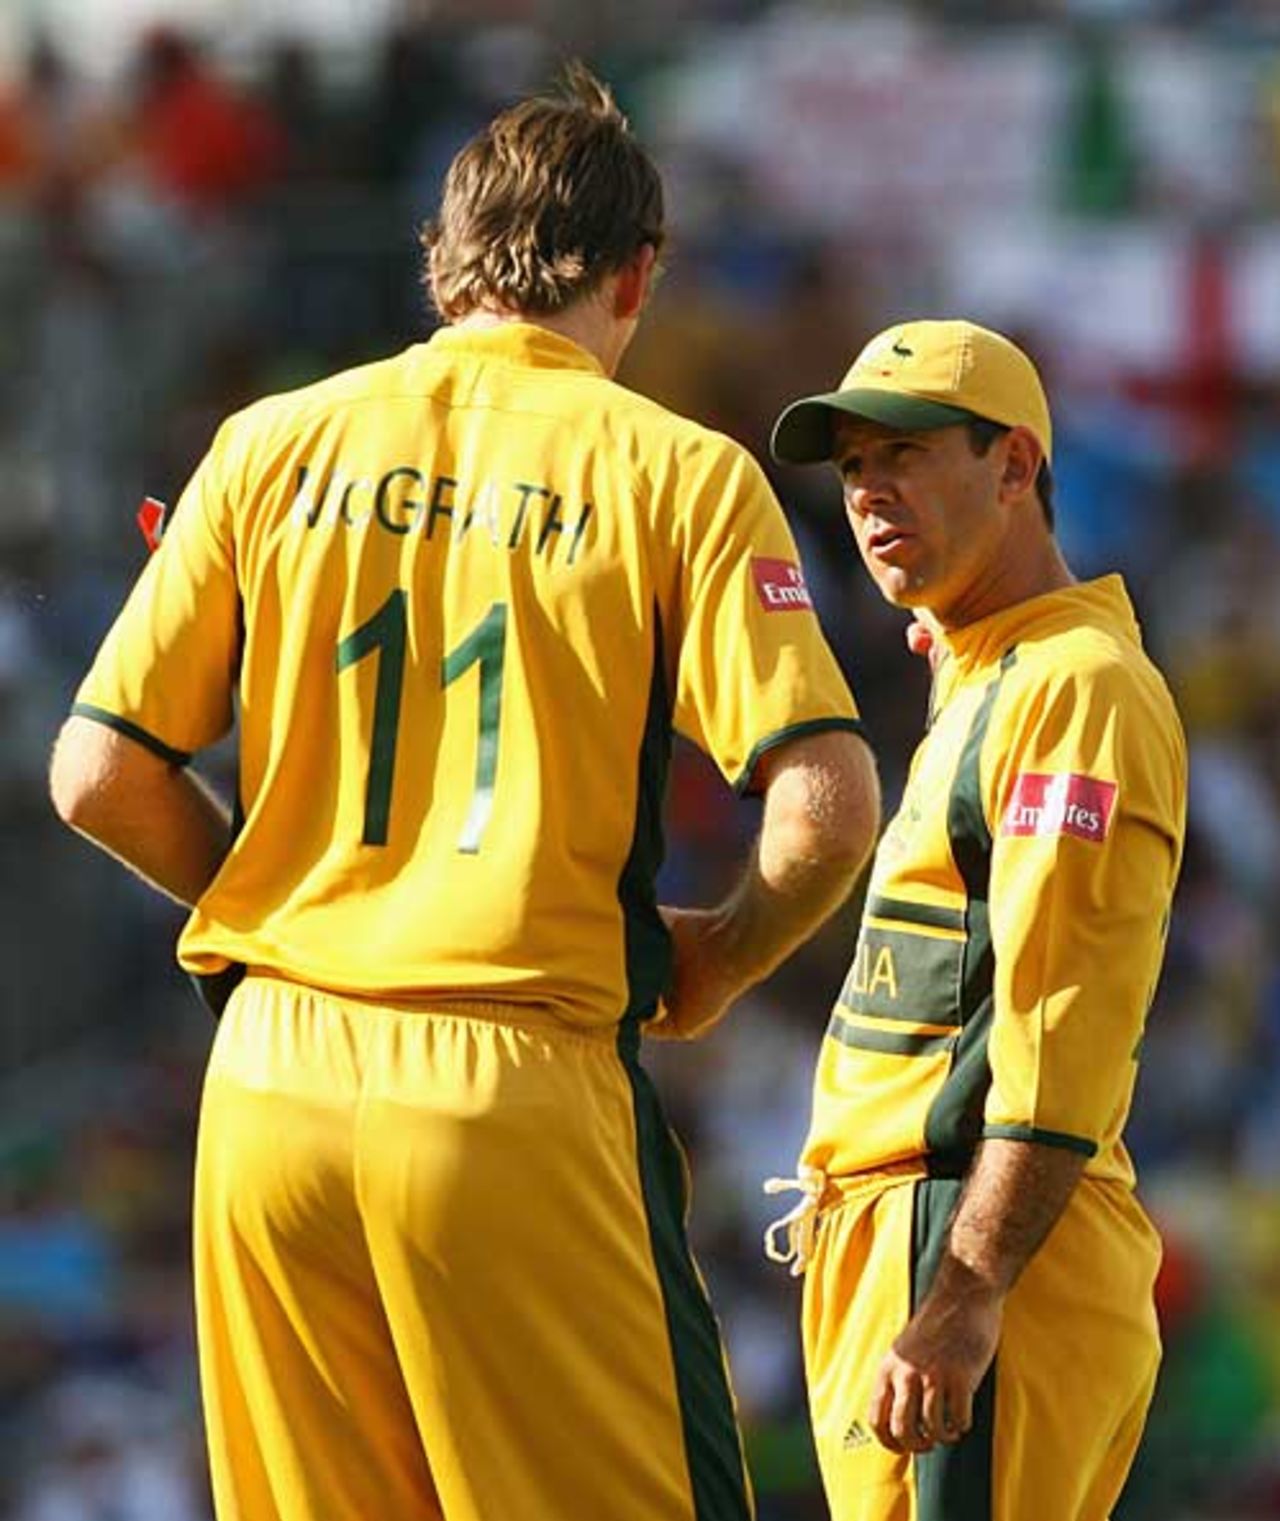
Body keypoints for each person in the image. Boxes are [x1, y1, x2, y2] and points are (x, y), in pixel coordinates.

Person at [48, 65, 879, 1521]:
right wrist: (721, 961)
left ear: (442, 263)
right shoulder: (676, 472)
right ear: (637, 277)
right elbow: (828, 804)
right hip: (512, 1081)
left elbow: (98, 772)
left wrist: (283, 893)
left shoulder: (269, 443)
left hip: (269, 1085)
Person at [764, 318, 1186, 1521]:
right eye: (851, 466)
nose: (866, 491)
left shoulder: (1071, 684)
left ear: (1013, 467)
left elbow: (1062, 1020)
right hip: (912, 1239)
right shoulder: (995, 678)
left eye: (903, 452)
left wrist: (965, 1286)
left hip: (962, 1239)